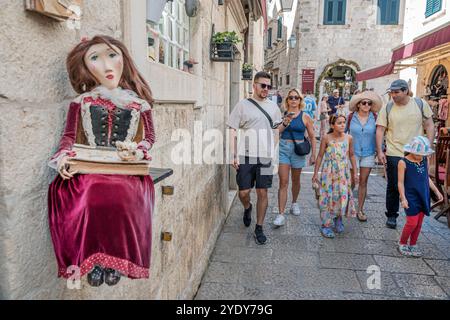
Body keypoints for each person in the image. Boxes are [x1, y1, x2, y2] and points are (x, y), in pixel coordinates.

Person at [47, 35, 156, 286]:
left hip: (126, 169)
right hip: (91, 165)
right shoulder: (82, 102)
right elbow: (69, 137)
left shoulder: (139, 105)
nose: (107, 66)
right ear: (86, 68)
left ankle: (115, 258)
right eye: (95, 58)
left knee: (125, 194)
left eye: (111, 55)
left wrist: (138, 151)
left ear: (123, 59)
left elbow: (149, 138)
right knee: (87, 191)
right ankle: (94, 257)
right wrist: (63, 157)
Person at [228, 71, 284, 245]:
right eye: (263, 85)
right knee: (243, 192)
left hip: (265, 157)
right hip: (246, 155)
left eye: (269, 86)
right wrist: (233, 154)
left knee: (263, 191)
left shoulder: (273, 108)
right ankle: (247, 207)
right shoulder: (242, 105)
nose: (266, 89)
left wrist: (272, 148)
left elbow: (277, 129)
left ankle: (259, 227)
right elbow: (232, 129)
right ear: (254, 85)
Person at [376, 79, 434, 229]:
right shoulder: (388, 107)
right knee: (394, 184)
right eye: (392, 92)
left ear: (406, 91)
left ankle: (415, 211)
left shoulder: (420, 104)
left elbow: (429, 125)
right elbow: (380, 129)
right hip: (394, 151)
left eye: (396, 92)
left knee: (416, 183)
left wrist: (427, 146)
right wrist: (379, 151)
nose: (393, 95)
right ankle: (392, 215)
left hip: (416, 152)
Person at [273, 89, 317, 226]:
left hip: (298, 151)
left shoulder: (305, 117)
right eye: (291, 97)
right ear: (287, 101)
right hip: (284, 149)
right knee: (283, 181)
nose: (293, 100)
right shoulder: (282, 115)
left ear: (300, 100)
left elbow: (312, 137)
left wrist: (314, 154)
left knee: (296, 180)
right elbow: (277, 132)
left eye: (296, 97)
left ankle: (294, 203)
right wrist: (285, 122)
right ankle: (280, 214)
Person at [312, 114, 358, 238]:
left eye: (344, 122)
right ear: (332, 125)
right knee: (326, 196)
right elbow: (320, 155)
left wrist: (355, 172)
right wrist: (315, 173)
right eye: (339, 123)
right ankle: (326, 224)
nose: (342, 125)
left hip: (343, 172)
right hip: (328, 172)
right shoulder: (326, 138)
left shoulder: (349, 138)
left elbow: (352, 155)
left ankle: (338, 219)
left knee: (341, 195)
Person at [397, 136, 443, 256]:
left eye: (423, 154)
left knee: (419, 223)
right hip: (411, 196)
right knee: (412, 222)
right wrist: (403, 198)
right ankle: (402, 242)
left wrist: (437, 191)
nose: (421, 156)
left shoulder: (424, 160)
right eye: (419, 153)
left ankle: (413, 244)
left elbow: (426, 178)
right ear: (411, 150)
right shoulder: (403, 162)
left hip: (423, 194)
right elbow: (400, 182)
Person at [347, 91, 382, 222]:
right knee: (351, 181)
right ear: (358, 104)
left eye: (369, 103)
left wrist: (380, 151)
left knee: (363, 181)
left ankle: (360, 209)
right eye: (364, 102)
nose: (367, 105)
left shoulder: (376, 117)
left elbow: (380, 134)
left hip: (368, 153)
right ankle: (347, 205)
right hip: (352, 153)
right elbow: (343, 133)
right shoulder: (351, 117)